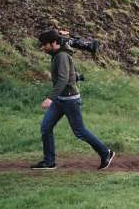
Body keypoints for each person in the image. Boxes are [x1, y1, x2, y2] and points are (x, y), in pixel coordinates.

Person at [31, 30, 115, 170]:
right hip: (60, 100)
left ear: (54, 43)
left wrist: (50, 98)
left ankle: (106, 152)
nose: (42, 47)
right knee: (46, 128)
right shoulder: (57, 54)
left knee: (80, 131)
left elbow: (63, 79)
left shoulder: (62, 56)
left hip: (70, 100)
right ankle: (49, 161)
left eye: (44, 45)